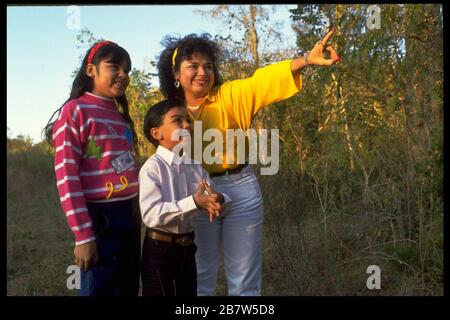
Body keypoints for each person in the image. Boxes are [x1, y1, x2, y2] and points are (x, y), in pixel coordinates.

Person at [156, 30, 340, 296]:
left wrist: (305, 60)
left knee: (244, 283)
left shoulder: (230, 95)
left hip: (240, 189)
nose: (202, 72)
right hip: (196, 194)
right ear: (175, 74)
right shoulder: (168, 112)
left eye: (208, 66)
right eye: (192, 66)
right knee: (199, 278)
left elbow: (261, 81)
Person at [43, 41, 141, 296]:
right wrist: (84, 235)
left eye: (127, 69)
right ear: (91, 71)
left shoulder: (120, 116)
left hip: (130, 215)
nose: (123, 75)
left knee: (126, 287)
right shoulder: (74, 112)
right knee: (100, 287)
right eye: (114, 67)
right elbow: (67, 177)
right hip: (100, 218)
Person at [139, 98, 231, 296]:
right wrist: (194, 202)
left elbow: (213, 194)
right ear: (157, 133)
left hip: (188, 248)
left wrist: (218, 199)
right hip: (158, 250)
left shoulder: (195, 166)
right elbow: (151, 215)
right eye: (177, 121)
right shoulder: (152, 168)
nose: (187, 125)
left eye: (188, 120)